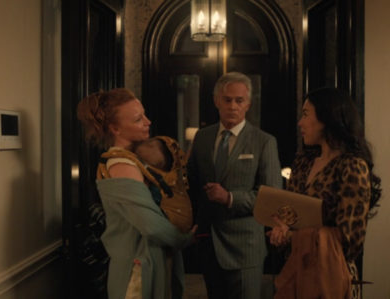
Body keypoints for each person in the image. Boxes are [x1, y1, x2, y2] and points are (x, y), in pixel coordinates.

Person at [77, 88, 196, 299]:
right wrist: (184, 239)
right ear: (115, 128)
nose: (148, 121)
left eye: (144, 114)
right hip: (137, 269)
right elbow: (150, 225)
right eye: (138, 119)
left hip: (148, 260)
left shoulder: (134, 159)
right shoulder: (120, 163)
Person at [267, 88, 382, 299]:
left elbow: (350, 240)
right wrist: (282, 229)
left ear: (327, 118)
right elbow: (292, 214)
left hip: (331, 278)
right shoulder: (303, 162)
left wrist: (295, 236)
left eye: (305, 114)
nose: (300, 123)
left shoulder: (352, 166)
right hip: (298, 272)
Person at [187, 72, 282, 299]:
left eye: (239, 101)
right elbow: (191, 184)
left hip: (245, 247)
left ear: (248, 104)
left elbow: (271, 197)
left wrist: (230, 197)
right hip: (209, 244)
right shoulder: (203, 137)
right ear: (216, 101)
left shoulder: (264, 141)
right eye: (227, 99)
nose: (233, 106)